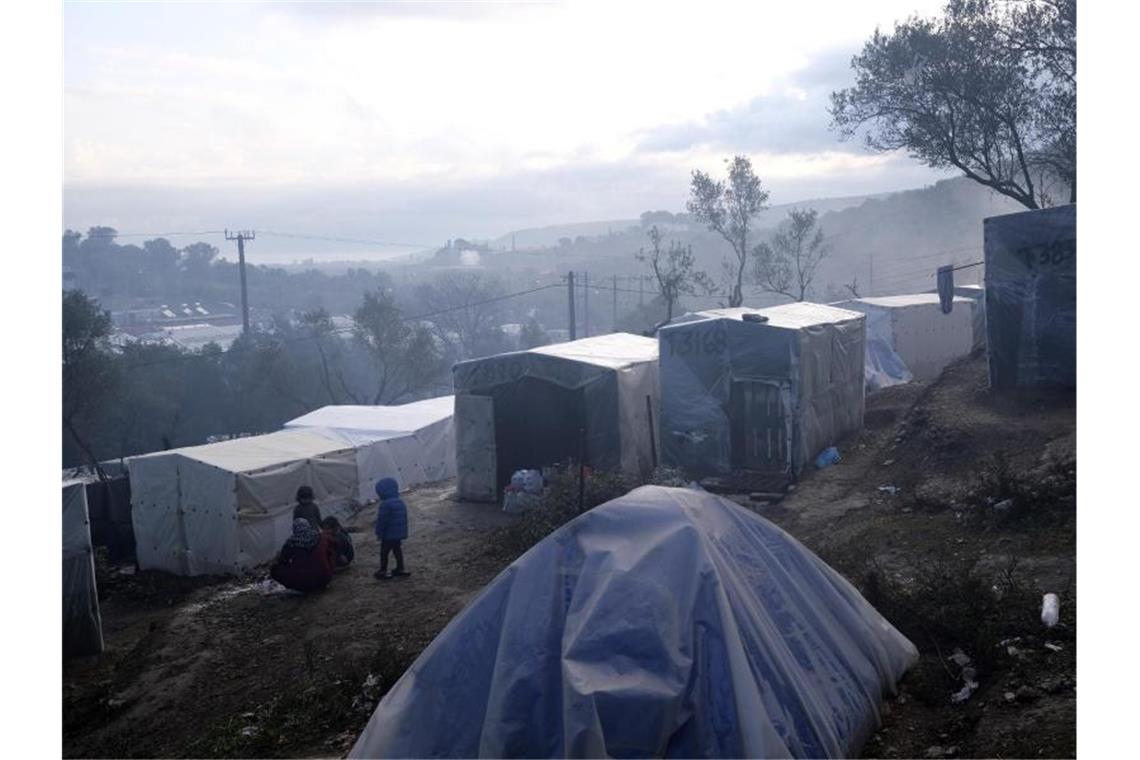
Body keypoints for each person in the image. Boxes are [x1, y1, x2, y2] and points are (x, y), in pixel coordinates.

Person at [270, 518, 335, 592]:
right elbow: (335, 545)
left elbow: (282, 561)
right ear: (308, 526)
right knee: (329, 553)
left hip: (304, 584)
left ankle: (299, 587)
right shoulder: (321, 537)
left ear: (294, 529)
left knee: (275, 570)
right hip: (325, 578)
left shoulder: (291, 543)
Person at [373, 478, 410, 580]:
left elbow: (382, 522)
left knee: (384, 552)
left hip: (388, 535)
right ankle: (400, 568)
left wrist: (379, 533)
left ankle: (383, 570)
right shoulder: (400, 502)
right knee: (397, 550)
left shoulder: (385, 505)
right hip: (398, 535)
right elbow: (404, 519)